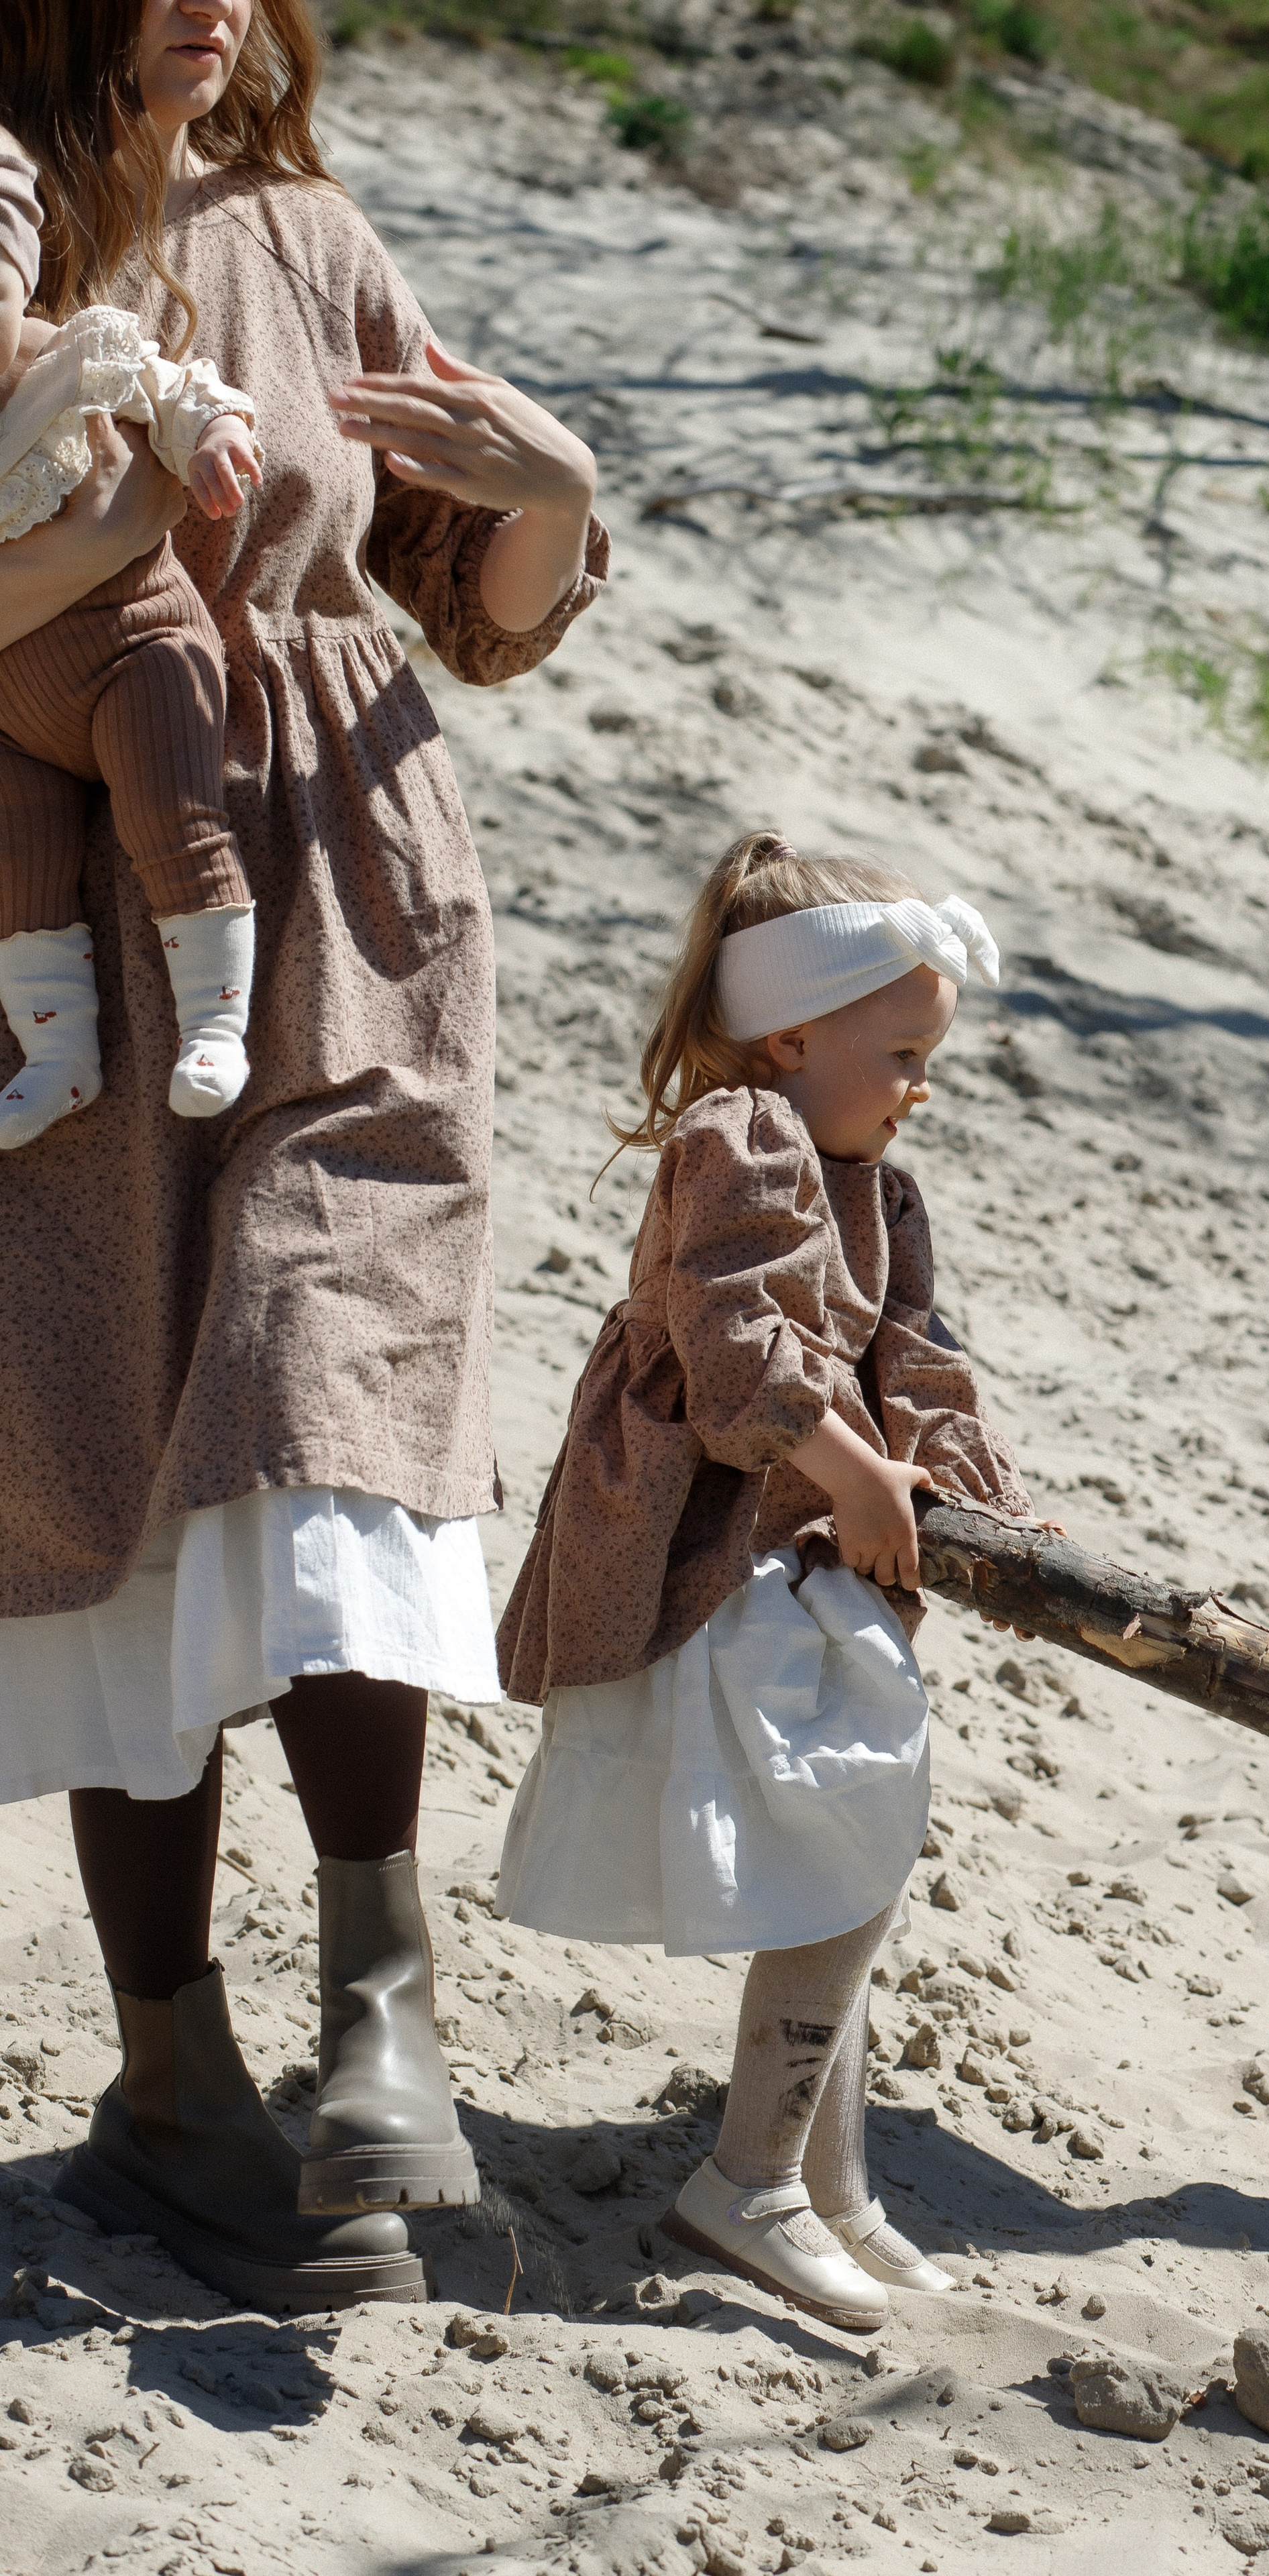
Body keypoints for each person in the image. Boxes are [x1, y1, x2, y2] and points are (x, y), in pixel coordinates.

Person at [0, 0, 606, 2314]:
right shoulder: (13, 217)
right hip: (70, 888)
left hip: (357, 870)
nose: (215, 2)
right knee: (116, 1455)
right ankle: (168, 2078)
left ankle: (384, 2015)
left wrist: (546, 491)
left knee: (326, 1389)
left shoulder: (314, 225)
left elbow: (485, 602)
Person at [496, 832, 1031, 2332]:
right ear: (792, 1035)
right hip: (706, 1542)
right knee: (853, 1826)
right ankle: (749, 2177)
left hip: (801, 1551)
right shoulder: (739, 1140)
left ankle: (828, 2182)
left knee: (847, 1845)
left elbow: (908, 1355)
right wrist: (857, 1473)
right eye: (902, 1052)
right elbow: (734, 1352)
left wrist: (954, 1476)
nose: (919, 1084)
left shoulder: (880, 1183)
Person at [0, 136, 264, 1146]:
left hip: (135, 648)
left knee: (174, 816)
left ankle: (214, 1020)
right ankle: (57, 1055)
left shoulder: (66, 356)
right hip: (13, 717)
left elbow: (174, 386)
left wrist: (212, 435)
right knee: (16, 864)